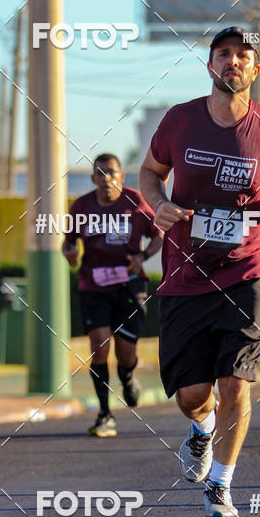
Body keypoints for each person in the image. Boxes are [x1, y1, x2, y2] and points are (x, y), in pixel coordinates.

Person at [139, 26, 260, 517]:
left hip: (249, 269)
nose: (233, 62)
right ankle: (201, 429)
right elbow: (149, 173)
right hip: (186, 272)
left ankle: (221, 484)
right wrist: (159, 204)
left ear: (255, 69)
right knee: (193, 395)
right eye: (223, 55)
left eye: (243, 56)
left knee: (235, 381)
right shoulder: (179, 120)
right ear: (210, 65)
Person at [63, 153, 162, 437]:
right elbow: (68, 244)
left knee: (126, 353)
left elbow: (158, 235)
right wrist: (70, 254)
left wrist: (142, 257)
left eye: (112, 173)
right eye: (100, 173)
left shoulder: (135, 202)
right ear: (93, 179)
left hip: (130, 285)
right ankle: (105, 414)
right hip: (93, 286)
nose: (107, 179)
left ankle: (128, 375)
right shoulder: (82, 207)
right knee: (99, 346)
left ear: (121, 176)